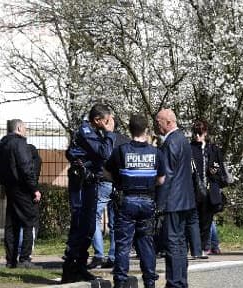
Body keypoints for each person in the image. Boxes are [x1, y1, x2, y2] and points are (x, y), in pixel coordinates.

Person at [104, 114, 166, 288]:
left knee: (123, 243)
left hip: (127, 201)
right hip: (147, 201)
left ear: (129, 129)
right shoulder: (156, 153)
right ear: (146, 130)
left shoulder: (121, 151)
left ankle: (121, 281)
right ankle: (149, 281)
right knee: (146, 242)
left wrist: (120, 179)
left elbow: (106, 172)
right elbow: (161, 180)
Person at [62, 104, 116, 283]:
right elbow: (104, 152)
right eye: (107, 120)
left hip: (91, 181)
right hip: (81, 183)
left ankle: (81, 266)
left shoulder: (95, 132)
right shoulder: (86, 131)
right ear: (98, 120)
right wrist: (109, 134)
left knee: (89, 226)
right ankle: (70, 269)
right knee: (80, 224)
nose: (110, 124)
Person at [156, 108, 196, 288]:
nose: (157, 124)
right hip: (185, 199)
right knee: (180, 243)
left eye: (159, 122)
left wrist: (160, 203)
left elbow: (167, 175)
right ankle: (181, 281)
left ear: (168, 122)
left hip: (173, 201)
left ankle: (174, 282)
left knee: (172, 243)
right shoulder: (183, 140)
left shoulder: (171, 142)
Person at [0, 119, 41, 268]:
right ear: (19, 127)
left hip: (9, 188)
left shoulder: (2, 144)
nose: (26, 130)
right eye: (25, 128)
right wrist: (34, 188)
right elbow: (26, 167)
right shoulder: (19, 143)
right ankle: (25, 259)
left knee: (11, 224)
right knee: (29, 220)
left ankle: (10, 260)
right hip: (22, 188)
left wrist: (5, 181)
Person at [88, 132, 129, 270]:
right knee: (115, 222)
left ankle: (99, 254)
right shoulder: (125, 141)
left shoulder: (104, 139)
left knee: (94, 216)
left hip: (104, 181)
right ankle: (113, 256)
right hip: (120, 183)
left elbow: (100, 157)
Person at [190, 119, 226, 258]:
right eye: (195, 133)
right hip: (194, 190)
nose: (197, 136)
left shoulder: (213, 149)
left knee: (207, 221)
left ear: (205, 132)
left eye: (199, 133)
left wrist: (214, 170)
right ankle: (197, 248)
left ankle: (205, 246)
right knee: (195, 220)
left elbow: (219, 167)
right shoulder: (191, 148)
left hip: (210, 190)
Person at [18, 144, 42, 258]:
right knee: (31, 222)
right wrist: (35, 190)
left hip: (21, 192)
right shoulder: (36, 162)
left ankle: (20, 248)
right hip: (31, 192)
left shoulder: (22, 162)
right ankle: (28, 248)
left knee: (21, 221)